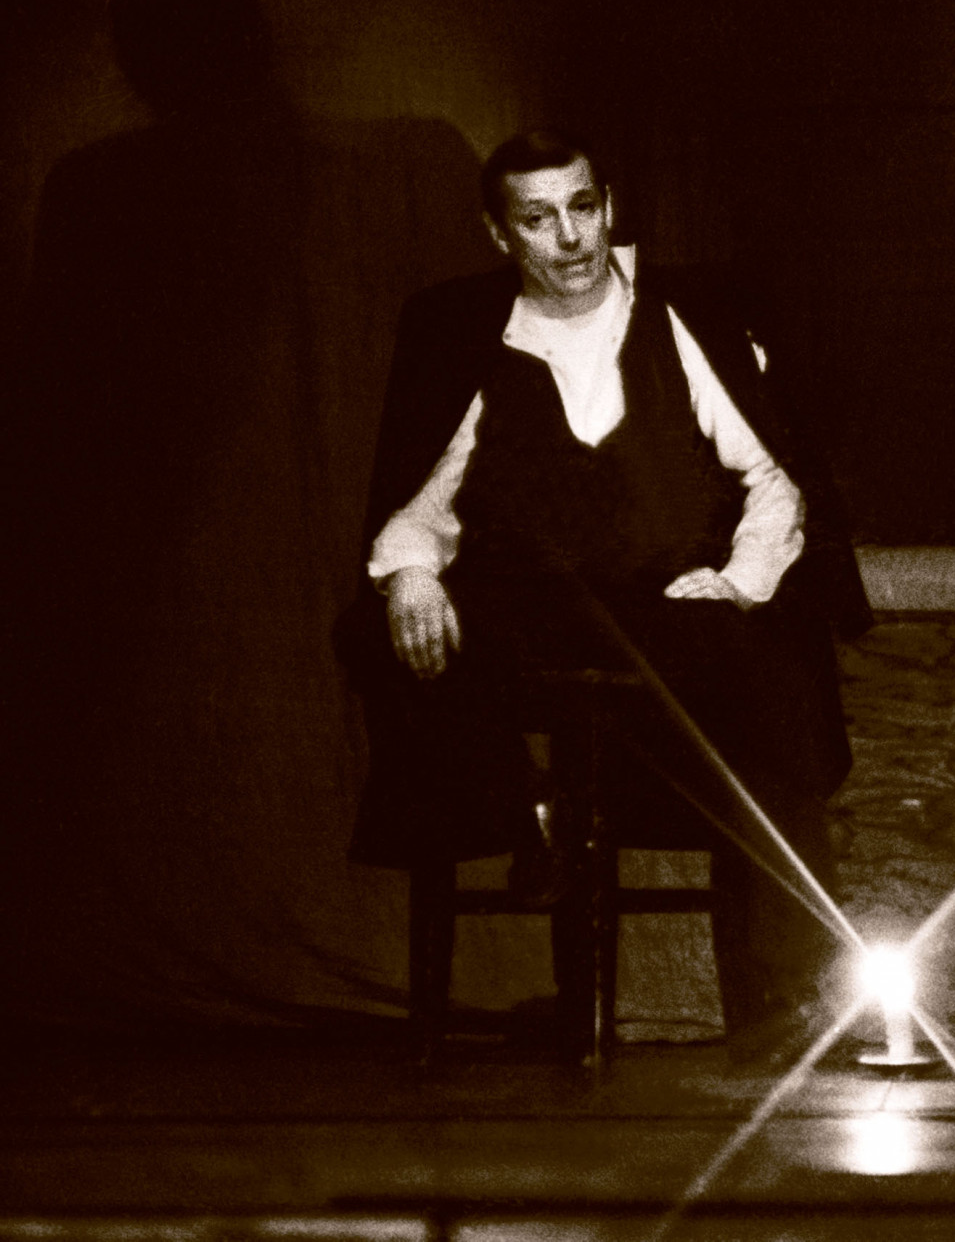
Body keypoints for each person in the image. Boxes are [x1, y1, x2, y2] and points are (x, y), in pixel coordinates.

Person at [341, 129, 870, 1063]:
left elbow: (772, 479)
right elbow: (426, 500)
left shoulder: (681, 314)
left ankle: (793, 995)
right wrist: (414, 573)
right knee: (374, 628)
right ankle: (531, 816)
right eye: (538, 219)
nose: (570, 237)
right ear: (500, 235)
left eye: (583, 208)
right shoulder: (473, 334)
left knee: (772, 669)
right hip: (532, 609)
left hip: (666, 608)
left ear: (608, 207)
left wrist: (738, 582)